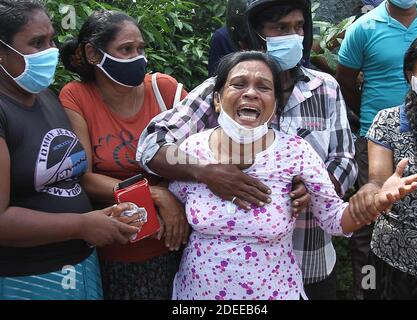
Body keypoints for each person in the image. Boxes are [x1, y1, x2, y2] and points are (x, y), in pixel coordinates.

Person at [137, 0, 358, 300]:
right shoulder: (219, 89)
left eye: (298, 27)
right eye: (280, 28)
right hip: (216, 281)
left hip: (308, 257)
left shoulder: (326, 88)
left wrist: (319, 188)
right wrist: (204, 172)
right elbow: (152, 144)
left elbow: (344, 158)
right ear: (252, 35)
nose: (293, 36)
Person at [168, 50, 417, 300]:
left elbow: (335, 219)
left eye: (263, 87)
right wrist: (159, 195)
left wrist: (373, 203)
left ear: (275, 107)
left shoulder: (295, 152)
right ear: (216, 98)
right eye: (238, 84)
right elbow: (173, 202)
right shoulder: (192, 150)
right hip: (196, 292)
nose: (250, 93)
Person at [0, 0, 139, 300]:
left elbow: (67, 179)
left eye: (51, 40)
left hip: (80, 266)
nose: (50, 51)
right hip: (27, 279)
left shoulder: (44, 97)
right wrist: (81, 224)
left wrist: (103, 217)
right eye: (37, 43)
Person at [59, 10, 189, 300]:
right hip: (116, 250)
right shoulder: (77, 96)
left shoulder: (164, 90)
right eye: (126, 49)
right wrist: (155, 194)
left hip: (175, 241)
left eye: (141, 49)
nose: (138, 58)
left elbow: (203, 153)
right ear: (94, 54)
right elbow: (84, 176)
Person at [336, 0, 417, 300]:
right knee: (365, 236)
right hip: (396, 258)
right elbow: (377, 180)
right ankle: (362, 290)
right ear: (410, 76)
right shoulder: (388, 122)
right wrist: (376, 192)